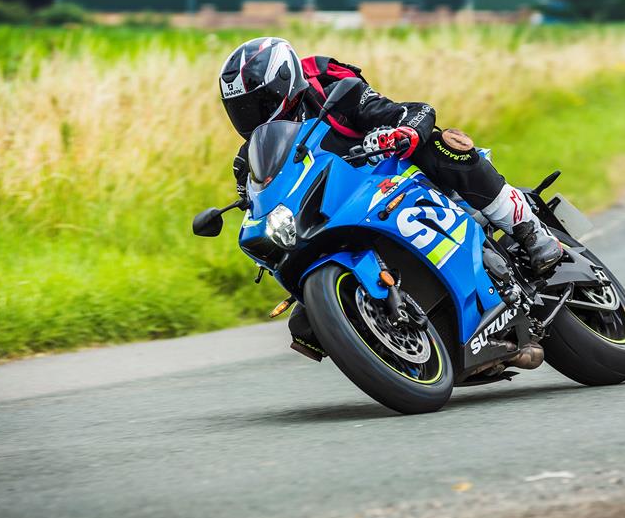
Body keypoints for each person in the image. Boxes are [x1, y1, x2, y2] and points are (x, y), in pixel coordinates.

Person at [219, 37, 562, 361]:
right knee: (306, 326)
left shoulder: (328, 83)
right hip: (338, 210)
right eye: (240, 110)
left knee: (442, 147)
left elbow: (406, 111)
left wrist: (402, 131)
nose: (252, 116)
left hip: (384, 166)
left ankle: (529, 229)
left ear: (286, 82)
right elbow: (257, 201)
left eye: (258, 104)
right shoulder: (251, 156)